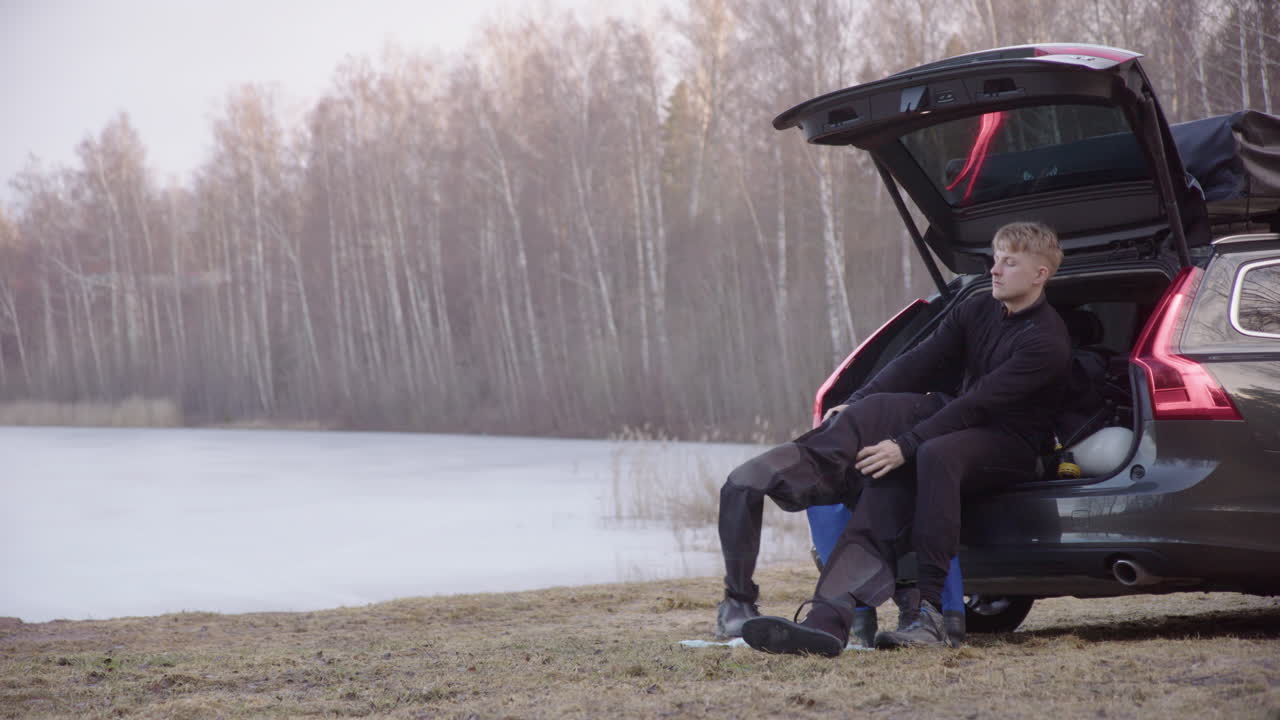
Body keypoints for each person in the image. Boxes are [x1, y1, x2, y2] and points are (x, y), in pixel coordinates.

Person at [715, 221, 1071, 656]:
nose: (995, 270)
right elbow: (918, 360)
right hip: (961, 421)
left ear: (1039, 274)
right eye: (995, 259)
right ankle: (825, 618)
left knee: (932, 453)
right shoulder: (978, 307)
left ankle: (932, 615)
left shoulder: (1046, 341)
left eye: (1009, 263)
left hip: (1011, 444)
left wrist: (905, 444)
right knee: (879, 424)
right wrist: (857, 401)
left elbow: (978, 404)